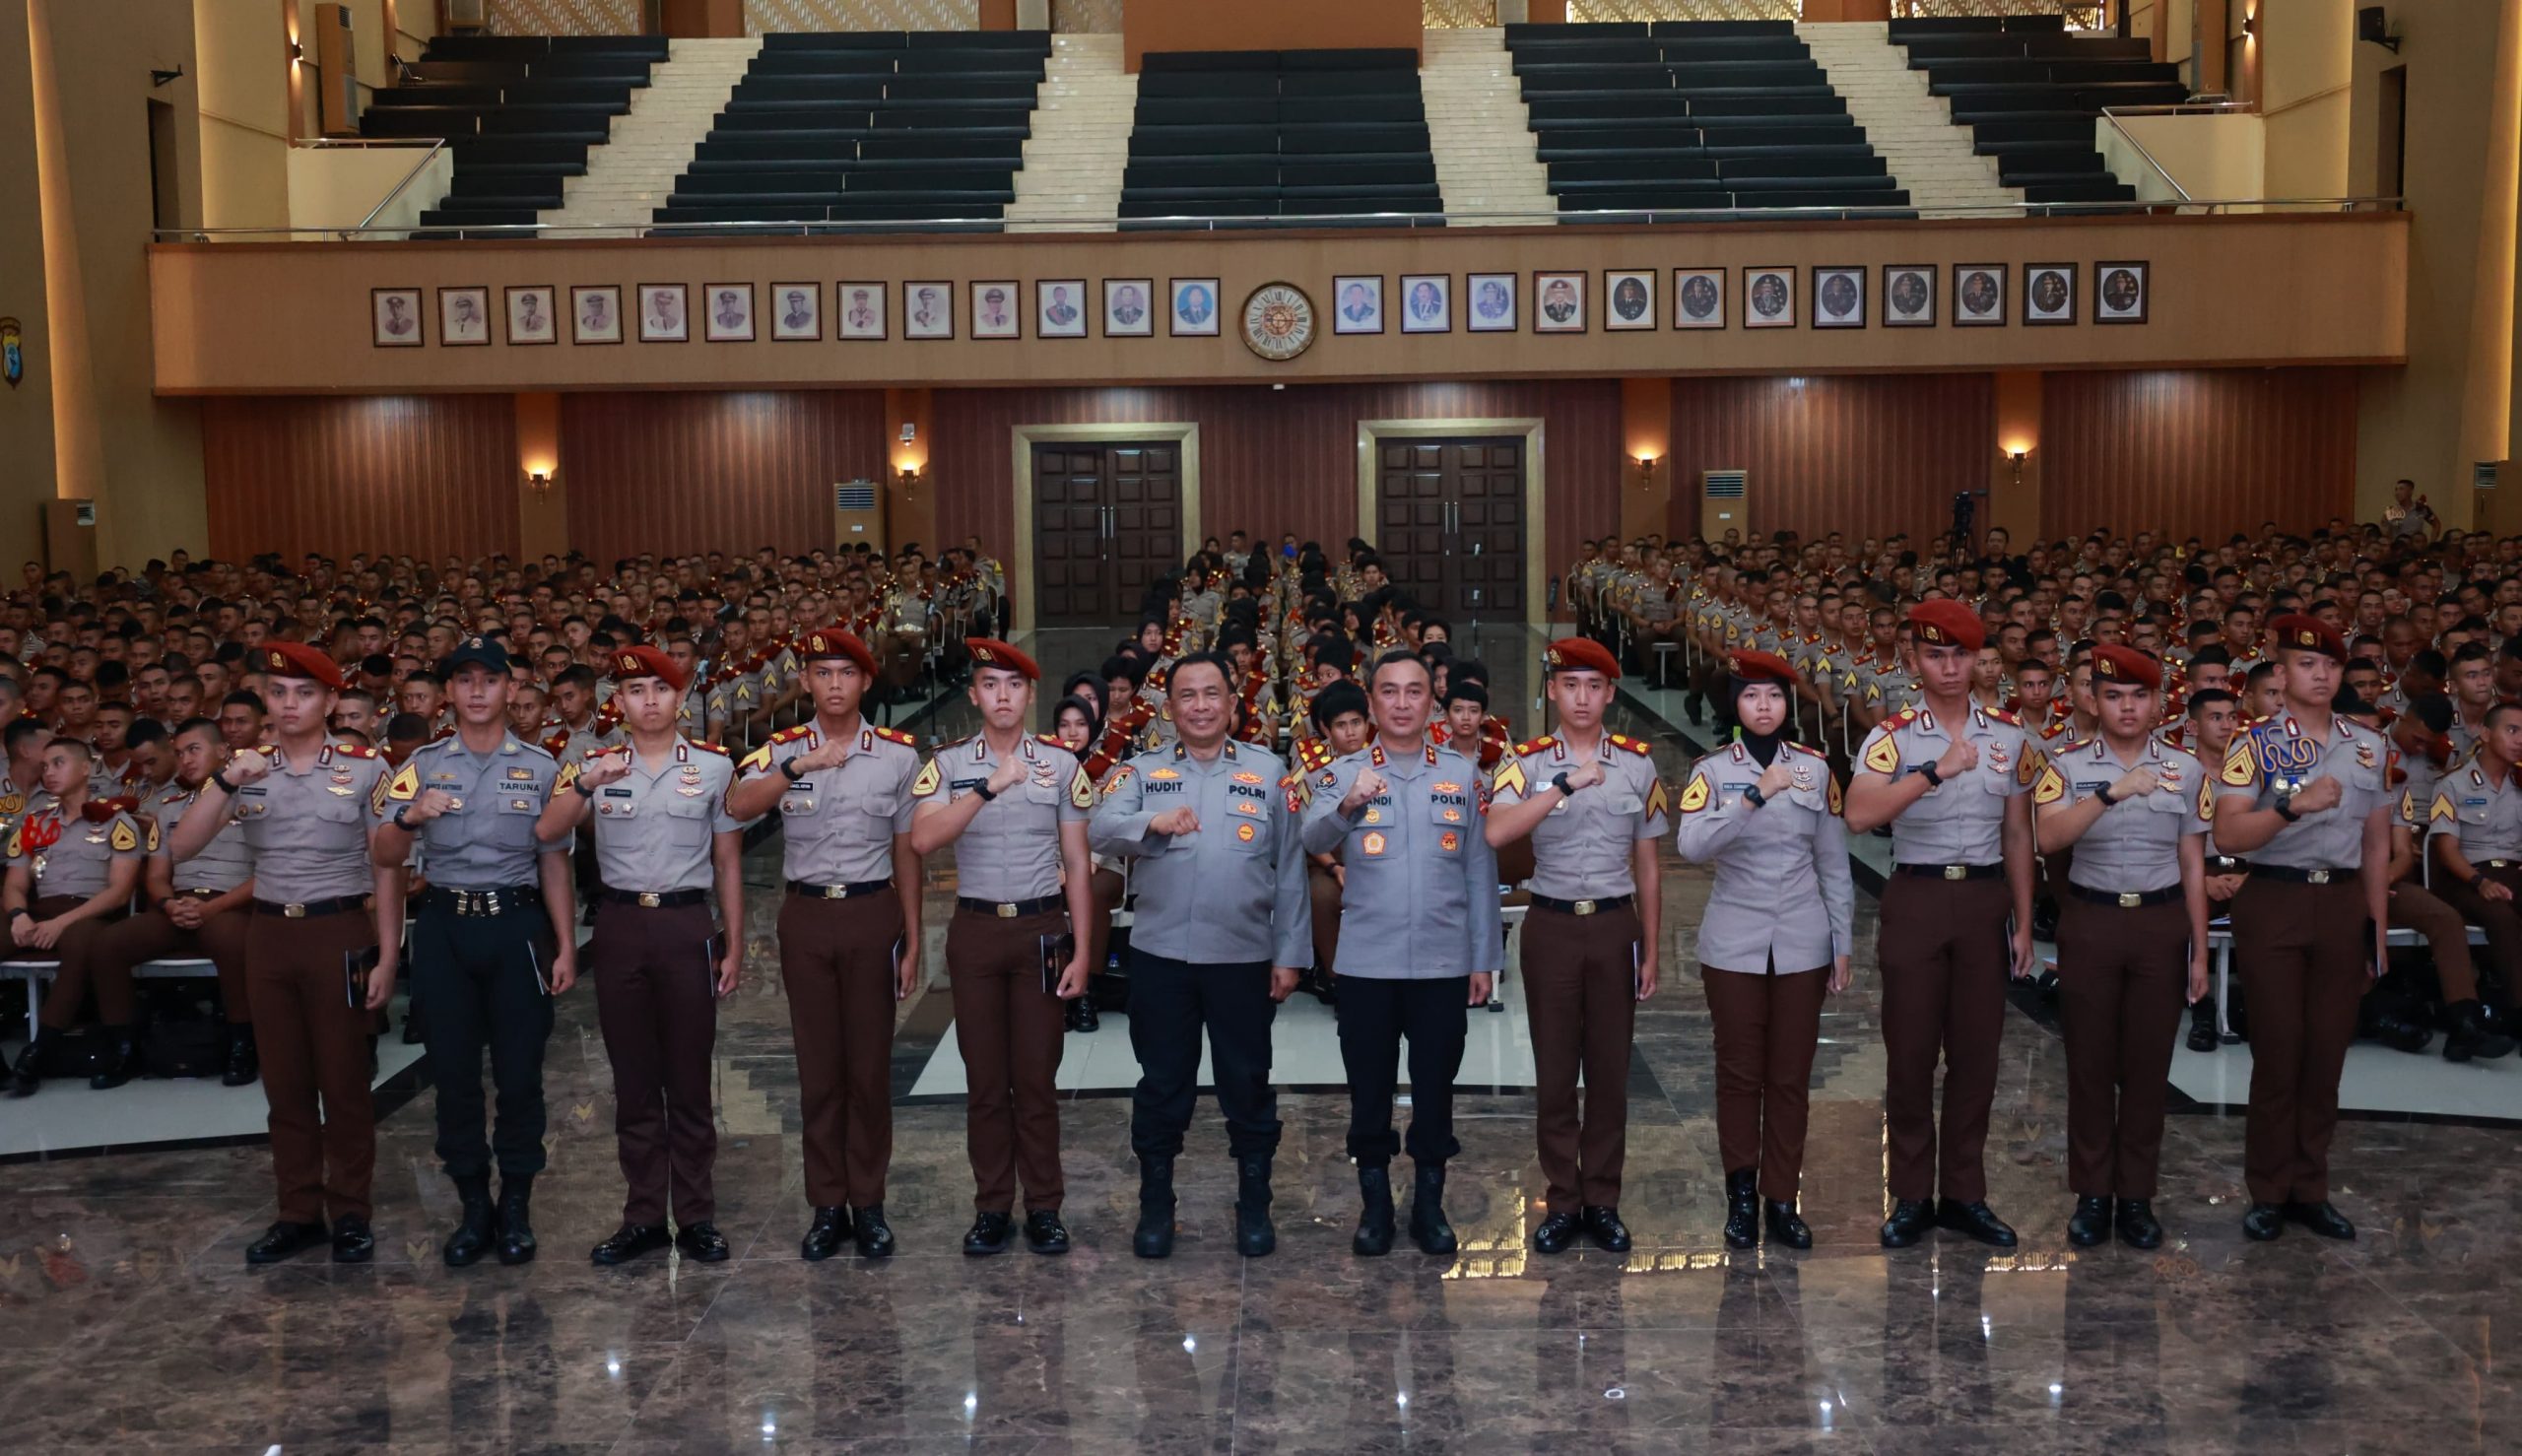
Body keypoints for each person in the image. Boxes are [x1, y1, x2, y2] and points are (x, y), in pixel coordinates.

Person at [172, 643, 398, 1265]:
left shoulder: (365, 767)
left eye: (304, 693)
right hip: (268, 934)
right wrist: (226, 779)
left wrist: (387, 955)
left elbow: (388, 871)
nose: (290, 704)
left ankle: (350, 1211)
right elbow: (181, 847)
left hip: (337, 930)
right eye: (278, 693)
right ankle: (297, 1211)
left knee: (344, 1081)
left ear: (330, 701)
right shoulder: (247, 768)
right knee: (285, 1082)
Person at [1092, 650, 1310, 1258]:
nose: (1201, 706)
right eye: (1187, 695)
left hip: (1242, 957)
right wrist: (1152, 822)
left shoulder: (1269, 772)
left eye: (1212, 694)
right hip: (1161, 957)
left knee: (1247, 1080)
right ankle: (1156, 1203)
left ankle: (1254, 1203)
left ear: (1233, 704)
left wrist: (1290, 953)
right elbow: (1099, 828)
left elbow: (1291, 871)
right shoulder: (1140, 771)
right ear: (1169, 708)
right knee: (1162, 1082)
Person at [373, 636, 577, 1268]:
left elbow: (554, 862)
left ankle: (515, 1204)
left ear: (510, 689)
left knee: (520, 1075)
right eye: (465, 680)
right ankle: (472, 1204)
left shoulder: (541, 766)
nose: (478, 691)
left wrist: (566, 945)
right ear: (448, 693)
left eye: (489, 680)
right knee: (454, 1075)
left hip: (515, 925)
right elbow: (384, 855)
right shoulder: (421, 765)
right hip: (445, 928)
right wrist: (408, 818)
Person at [538, 646, 745, 1265]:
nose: (649, 700)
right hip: (622, 924)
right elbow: (547, 832)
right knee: (632, 1080)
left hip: (686, 923)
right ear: (619, 702)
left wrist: (733, 942)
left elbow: (728, 861)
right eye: (635, 690)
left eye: (660, 688)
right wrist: (585, 784)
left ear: (680, 698)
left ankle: (698, 1215)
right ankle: (644, 1215)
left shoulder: (713, 767)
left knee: (689, 1079)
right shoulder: (593, 765)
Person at [728, 626, 924, 1261]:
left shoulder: (897, 756)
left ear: (865, 681)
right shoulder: (783, 748)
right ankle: (827, 1204)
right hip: (806, 916)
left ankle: (868, 1203)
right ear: (806, 682)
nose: (834, 685)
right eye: (822, 674)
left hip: (872, 913)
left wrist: (913, 939)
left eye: (846, 673)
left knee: (868, 1069)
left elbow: (907, 852)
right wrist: (796, 767)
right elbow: (738, 806)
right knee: (818, 1071)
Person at [1845, 601, 2036, 1250]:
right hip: (1917, 894)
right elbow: (1858, 814)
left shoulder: (2009, 736)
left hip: (1983, 898)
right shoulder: (1892, 736)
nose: (1949, 668)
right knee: (1910, 1053)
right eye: (1935, 655)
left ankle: (1963, 1194)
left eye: (1960, 655)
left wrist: (2024, 920)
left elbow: (2018, 833)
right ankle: (1909, 1195)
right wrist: (1933, 771)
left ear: (1979, 660)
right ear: (1914, 661)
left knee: (1977, 1055)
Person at [1301, 650, 1501, 1257]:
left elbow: (1479, 872)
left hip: (1443, 961)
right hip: (1368, 962)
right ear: (1371, 701)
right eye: (1389, 691)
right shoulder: (1342, 773)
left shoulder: (1464, 775)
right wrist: (1347, 804)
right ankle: (1376, 1206)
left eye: (1415, 691)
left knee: (1436, 1087)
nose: (1402, 703)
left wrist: (1484, 959)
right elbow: (1310, 837)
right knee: (1369, 1089)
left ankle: (1429, 1206)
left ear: (1431, 702)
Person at [1484, 637, 1669, 1254]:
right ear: (1553, 691)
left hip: (1615, 925)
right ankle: (1563, 1199)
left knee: (1611, 1071)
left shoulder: (1638, 766)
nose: (1582, 698)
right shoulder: (1527, 761)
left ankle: (1603, 1200)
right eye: (1570, 686)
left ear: (1611, 694)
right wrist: (1562, 785)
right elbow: (1497, 831)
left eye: (1594, 686)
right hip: (1552, 924)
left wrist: (1652, 946)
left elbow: (1648, 863)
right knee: (1557, 1070)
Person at [908, 639, 1094, 1256]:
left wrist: (1083, 951)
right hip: (977, 929)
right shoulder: (949, 763)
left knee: (1036, 1078)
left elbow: (1077, 863)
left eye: (1014, 685)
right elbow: (923, 840)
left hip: (1041, 928)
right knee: (985, 1080)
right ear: (974, 695)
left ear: (1030, 694)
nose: (1003, 696)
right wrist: (987, 787)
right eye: (990, 685)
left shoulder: (1061, 765)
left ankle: (1044, 1206)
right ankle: (992, 1206)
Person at [2211, 614, 2390, 1242]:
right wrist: (2292, 806)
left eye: (2331, 665)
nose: (2321, 675)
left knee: (2327, 1052)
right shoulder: (2255, 744)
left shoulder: (2369, 745)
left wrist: (2376, 928)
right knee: (2279, 1049)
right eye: (2307, 664)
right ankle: (2268, 1190)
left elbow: (2376, 843)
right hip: (2275, 898)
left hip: (2341, 902)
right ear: (2281, 674)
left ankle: (2311, 1188)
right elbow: (2228, 834)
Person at [2029, 645, 2211, 1250]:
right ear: (2094, 700)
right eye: (2113, 696)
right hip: (2093, 920)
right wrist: (2111, 792)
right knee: (2089, 1062)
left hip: (2160, 922)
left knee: (2147, 1065)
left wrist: (2200, 949)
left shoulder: (2186, 768)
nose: (2127, 707)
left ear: (2157, 703)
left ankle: (2135, 1195)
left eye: (2139, 696)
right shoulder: (2067, 764)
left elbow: (2192, 861)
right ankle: (2092, 1194)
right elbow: (2048, 836)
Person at [1672, 651, 1853, 1249]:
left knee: (1791, 1076)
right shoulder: (1711, 771)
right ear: (1736, 704)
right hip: (1734, 941)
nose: (1764, 706)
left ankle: (1782, 1198)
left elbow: (1833, 863)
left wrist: (1842, 941)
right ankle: (1742, 1197)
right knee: (1739, 1074)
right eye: (1751, 696)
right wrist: (1752, 796)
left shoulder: (1815, 769)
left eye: (1774, 695)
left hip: (1803, 939)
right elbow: (1692, 846)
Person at [89, 718, 259, 1087]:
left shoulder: (253, 801)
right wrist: (169, 904)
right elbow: (155, 877)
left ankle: (243, 1044)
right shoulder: (170, 807)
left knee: (233, 943)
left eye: (194, 750)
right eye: (179, 753)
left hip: (229, 906)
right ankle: (125, 1048)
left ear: (223, 750)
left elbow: (267, 874)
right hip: (177, 906)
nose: (186, 760)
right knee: (107, 945)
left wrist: (212, 908)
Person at [1, 738, 146, 1093]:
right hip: (39, 912)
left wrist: (61, 923)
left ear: (85, 769)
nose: (49, 772)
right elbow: (14, 884)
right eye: (45, 766)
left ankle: (38, 1051)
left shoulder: (116, 822)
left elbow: (119, 892)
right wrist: (19, 915)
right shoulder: (34, 823)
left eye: (58, 763)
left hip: (88, 914)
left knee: (83, 945)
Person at [2422, 698, 2522, 1061]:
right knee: (2502, 916)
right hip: (2467, 877)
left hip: (2514, 872)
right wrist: (2480, 882)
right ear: (2485, 733)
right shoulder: (2452, 784)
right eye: (2512, 730)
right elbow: (2446, 850)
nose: (2520, 740)